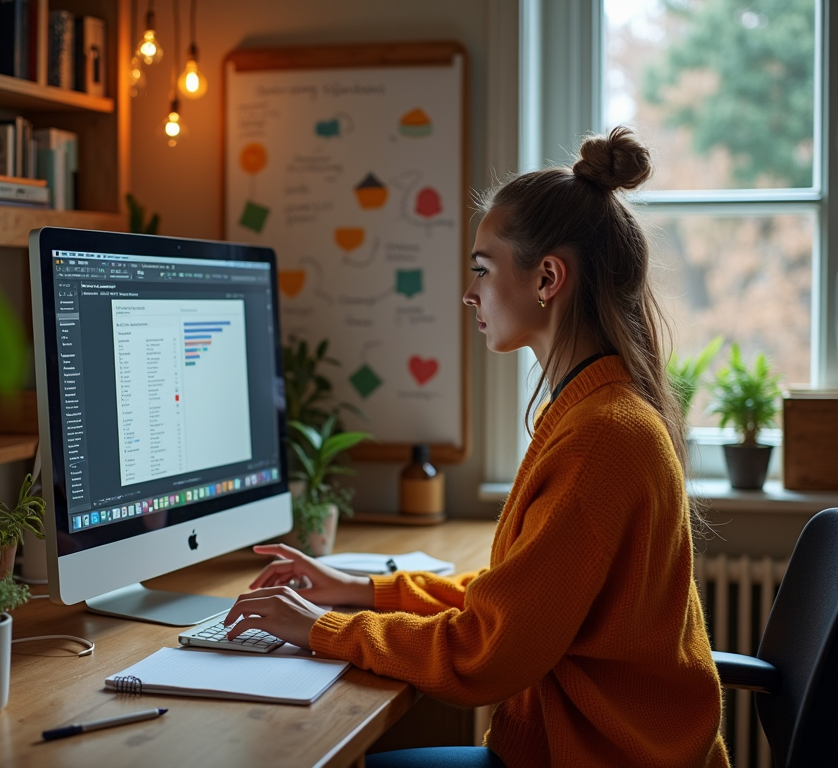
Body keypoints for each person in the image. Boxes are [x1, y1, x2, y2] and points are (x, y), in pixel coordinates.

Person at [223, 126, 729, 768]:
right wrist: (359, 589)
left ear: (548, 278)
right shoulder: (598, 411)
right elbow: (514, 598)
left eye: (482, 271)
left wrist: (321, 629)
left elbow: (488, 651)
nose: (469, 294)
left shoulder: (601, 437)